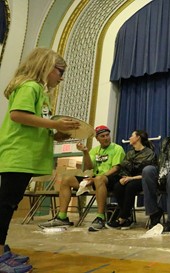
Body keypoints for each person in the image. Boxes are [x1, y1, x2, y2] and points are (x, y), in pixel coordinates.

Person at [0, 48, 81, 272]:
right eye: (60, 71)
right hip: (18, 154)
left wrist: (56, 134)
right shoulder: (30, 86)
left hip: (26, 156)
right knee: (5, 205)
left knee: (9, 204)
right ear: (46, 66)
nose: (61, 77)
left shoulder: (41, 93)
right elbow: (18, 115)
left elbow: (35, 124)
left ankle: (1, 248)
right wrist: (55, 125)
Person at [39, 125, 125, 231]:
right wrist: (85, 151)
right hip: (95, 178)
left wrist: (97, 178)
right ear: (97, 138)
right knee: (67, 179)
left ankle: (100, 217)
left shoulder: (117, 148)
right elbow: (89, 167)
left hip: (111, 179)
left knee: (99, 179)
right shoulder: (95, 150)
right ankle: (62, 217)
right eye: (102, 136)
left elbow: (116, 168)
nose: (106, 138)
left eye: (107, 135)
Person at [103, 130, 157, 229]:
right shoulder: (130, 153)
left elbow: (149, 173)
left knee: (130, 186)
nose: (129, 138)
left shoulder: (149, 153)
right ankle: (127, 216)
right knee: (118, 186)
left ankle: (122, 218)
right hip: (129, 178)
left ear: (138, 138)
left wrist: (131, 178)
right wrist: (123, 178)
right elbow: (124, 167)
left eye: (132, 136)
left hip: (142, 179)